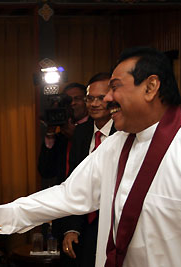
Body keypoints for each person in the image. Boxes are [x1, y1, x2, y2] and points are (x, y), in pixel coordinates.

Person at [0, 47, 181, 267]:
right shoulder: (116, 146)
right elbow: (66, 195)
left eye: (115, 87)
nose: (107, 98)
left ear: (151, 87)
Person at [54, 72, 116, 267]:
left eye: (101, 98)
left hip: (113, 222)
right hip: (85, 223)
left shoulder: (124, 132)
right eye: (90, 98)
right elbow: (75, 184)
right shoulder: (81, 133)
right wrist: (71, 228)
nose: (94, 104)